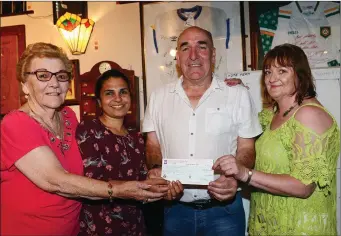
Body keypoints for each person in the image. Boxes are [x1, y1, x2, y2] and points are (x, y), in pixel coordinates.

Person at [0, 42, 168, 236]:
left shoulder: (68, 117)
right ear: (24, 85)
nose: (54, 83)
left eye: (61, 76)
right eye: (43, 75)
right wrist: (120, 190)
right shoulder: (15, 124)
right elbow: (56, 181)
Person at [142, 26, 262, 236]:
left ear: (213, 54)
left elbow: (247, 148)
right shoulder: (158, 97)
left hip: (225, 213)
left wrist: (234, 176)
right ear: (177, 57)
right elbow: (153, 145)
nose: (194, 55)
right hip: (175, 212)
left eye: (202, 47)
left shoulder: (237, 95)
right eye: (185, 48)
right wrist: (155, 169)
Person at [214, 43, 340, 235]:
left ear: (300, 74)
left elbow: (303, 186)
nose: (272, 78)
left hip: (299, 228)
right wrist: (238, 94)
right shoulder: (273, 114)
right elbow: (248, 127)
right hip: (269, 225)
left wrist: (245, 173)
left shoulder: (309, 115)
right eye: (268, 72)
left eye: (282, 71)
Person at [76, 69, 155, 235]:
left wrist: (166, 185)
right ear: (99, 101)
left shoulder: (136, 137)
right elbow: (92, 181)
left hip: (135, 225)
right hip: (101, 225)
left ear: (130, 98)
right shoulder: (89, 129)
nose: (118, 99)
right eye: (109, 93)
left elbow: (143, 180)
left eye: (123, 92)